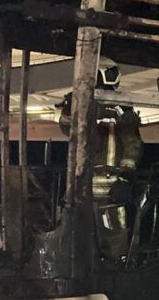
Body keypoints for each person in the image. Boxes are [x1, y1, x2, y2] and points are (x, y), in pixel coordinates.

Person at [56, 56, 143, 263]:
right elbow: (67, 129)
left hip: (109, 188)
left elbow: (133, 143)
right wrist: (69, 109)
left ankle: (118, 270)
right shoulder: (82, 104)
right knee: (80, 240)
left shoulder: (119, 106)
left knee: (113, 240)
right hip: (83, 187)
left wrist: (125, 176)